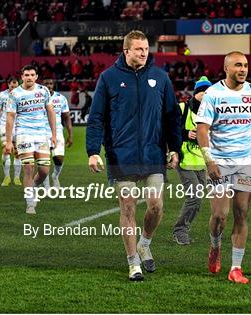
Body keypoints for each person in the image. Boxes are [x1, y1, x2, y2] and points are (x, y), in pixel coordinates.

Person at [86, 30, 182, 281]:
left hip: (153, 154)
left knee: (156, 206)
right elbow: (96, 118)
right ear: (126, 50)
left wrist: (175, 148)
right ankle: (133, 263)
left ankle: (145, 243)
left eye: (146, 48)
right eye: (138, 49)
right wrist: (93, 152)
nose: (144, 52)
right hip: (121, 155)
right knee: (128, 207)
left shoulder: (160, 78)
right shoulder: (108, 78)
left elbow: (172, 117)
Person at [196, 51, 251, 284]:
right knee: (220, 215)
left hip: (246, 163)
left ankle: (236, 268)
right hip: (219, 163)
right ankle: (215, 245)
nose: (243, 69)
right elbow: (202, 129)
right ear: (226, 67)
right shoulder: (214, 94)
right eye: (238, 65)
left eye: (246, 65)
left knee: (241, 214)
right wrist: (209, 160)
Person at [4, 65, 57, 214]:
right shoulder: (15, 94)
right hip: (24, 134)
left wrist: (53, 134)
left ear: (36, 76)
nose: (29, 77)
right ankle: (30, 203)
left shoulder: (43, 91)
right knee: (28, 168)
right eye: (26, 75)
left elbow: (50, 112)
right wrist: (9, 141)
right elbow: (10, 118)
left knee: (44, 170)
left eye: (32, 74)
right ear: (22, 77)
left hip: (41, 134)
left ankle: (33, 186)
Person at [172, 76, 212, 245]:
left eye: (208, 93)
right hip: (184, 160)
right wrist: (185, 133)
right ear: (196, 93)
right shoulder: (183, 108)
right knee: (194, 196)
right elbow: (170, 129)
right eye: (202, 92)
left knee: (197, 200)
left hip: (202, 163)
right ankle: (180, 231)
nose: (205, 95)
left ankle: (182, 229)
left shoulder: (211, 111)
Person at [42, 78, 73, 188]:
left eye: (50, 83)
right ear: (42, 85)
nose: (49, 85)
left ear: (53, 85)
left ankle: (55, 176)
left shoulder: (61, 98)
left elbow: (66, 117)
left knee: (59, 159)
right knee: (44, 161)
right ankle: (46, 186)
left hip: (58, 132)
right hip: (42, 133)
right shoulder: (37, 98)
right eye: (46, 83)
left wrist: (70, 135)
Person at [0, 77, 22, 186]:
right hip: (5, 125)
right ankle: (7, 177)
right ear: (8, 84)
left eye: (16, 86)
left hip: (19, 126)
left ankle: (17, 178)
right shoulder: (2, 95)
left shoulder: (22, 94)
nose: (13, 88)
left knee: (18, 152)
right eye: (11, 86)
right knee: (6, 150)